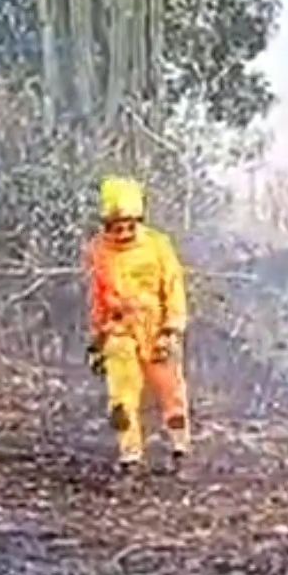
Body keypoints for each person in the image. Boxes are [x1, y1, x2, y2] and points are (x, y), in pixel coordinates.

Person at [84, 177, 190, 471]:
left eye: (129, 226)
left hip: (156, 327)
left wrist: (172, 329)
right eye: (116, 227)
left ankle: (179, 444)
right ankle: (129, 451)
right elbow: (99, 296)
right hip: (119, 331)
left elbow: (173, 288)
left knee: (170, 388)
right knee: (122, 394)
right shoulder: (98, 250)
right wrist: (97, 340)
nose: (123, 233)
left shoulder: (158, 245)